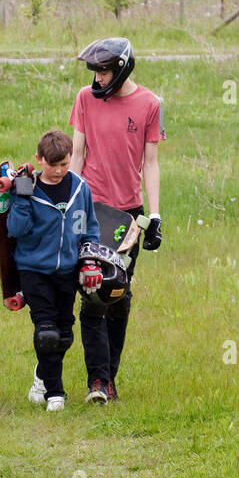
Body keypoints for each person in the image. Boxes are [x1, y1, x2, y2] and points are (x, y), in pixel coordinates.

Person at [69, 38, 165, 403]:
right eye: (93, 72)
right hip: (91, 211)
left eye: (103, 71)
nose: (97, 79)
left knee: (118, 296)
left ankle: (110, 377)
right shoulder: (84, 98)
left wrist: (154, 215)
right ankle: (98, 382)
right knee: (93, 293)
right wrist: (68, 206)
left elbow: (151, 163)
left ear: (122, 69)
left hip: (128, 216)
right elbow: (77, 153)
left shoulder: (149, 104)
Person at [0, 129, 99, 412]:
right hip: (33, 269)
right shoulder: (28, 188)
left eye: (64, 164)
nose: (59, 171)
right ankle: (55, 393)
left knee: (65, 334)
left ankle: (42, 375)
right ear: (39, 160)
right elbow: (16, 230)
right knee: (47, 332)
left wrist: (90, 260)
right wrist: (23, 196)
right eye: (53, 165)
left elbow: (90, 229)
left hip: (67, 270)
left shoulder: (80, 187)